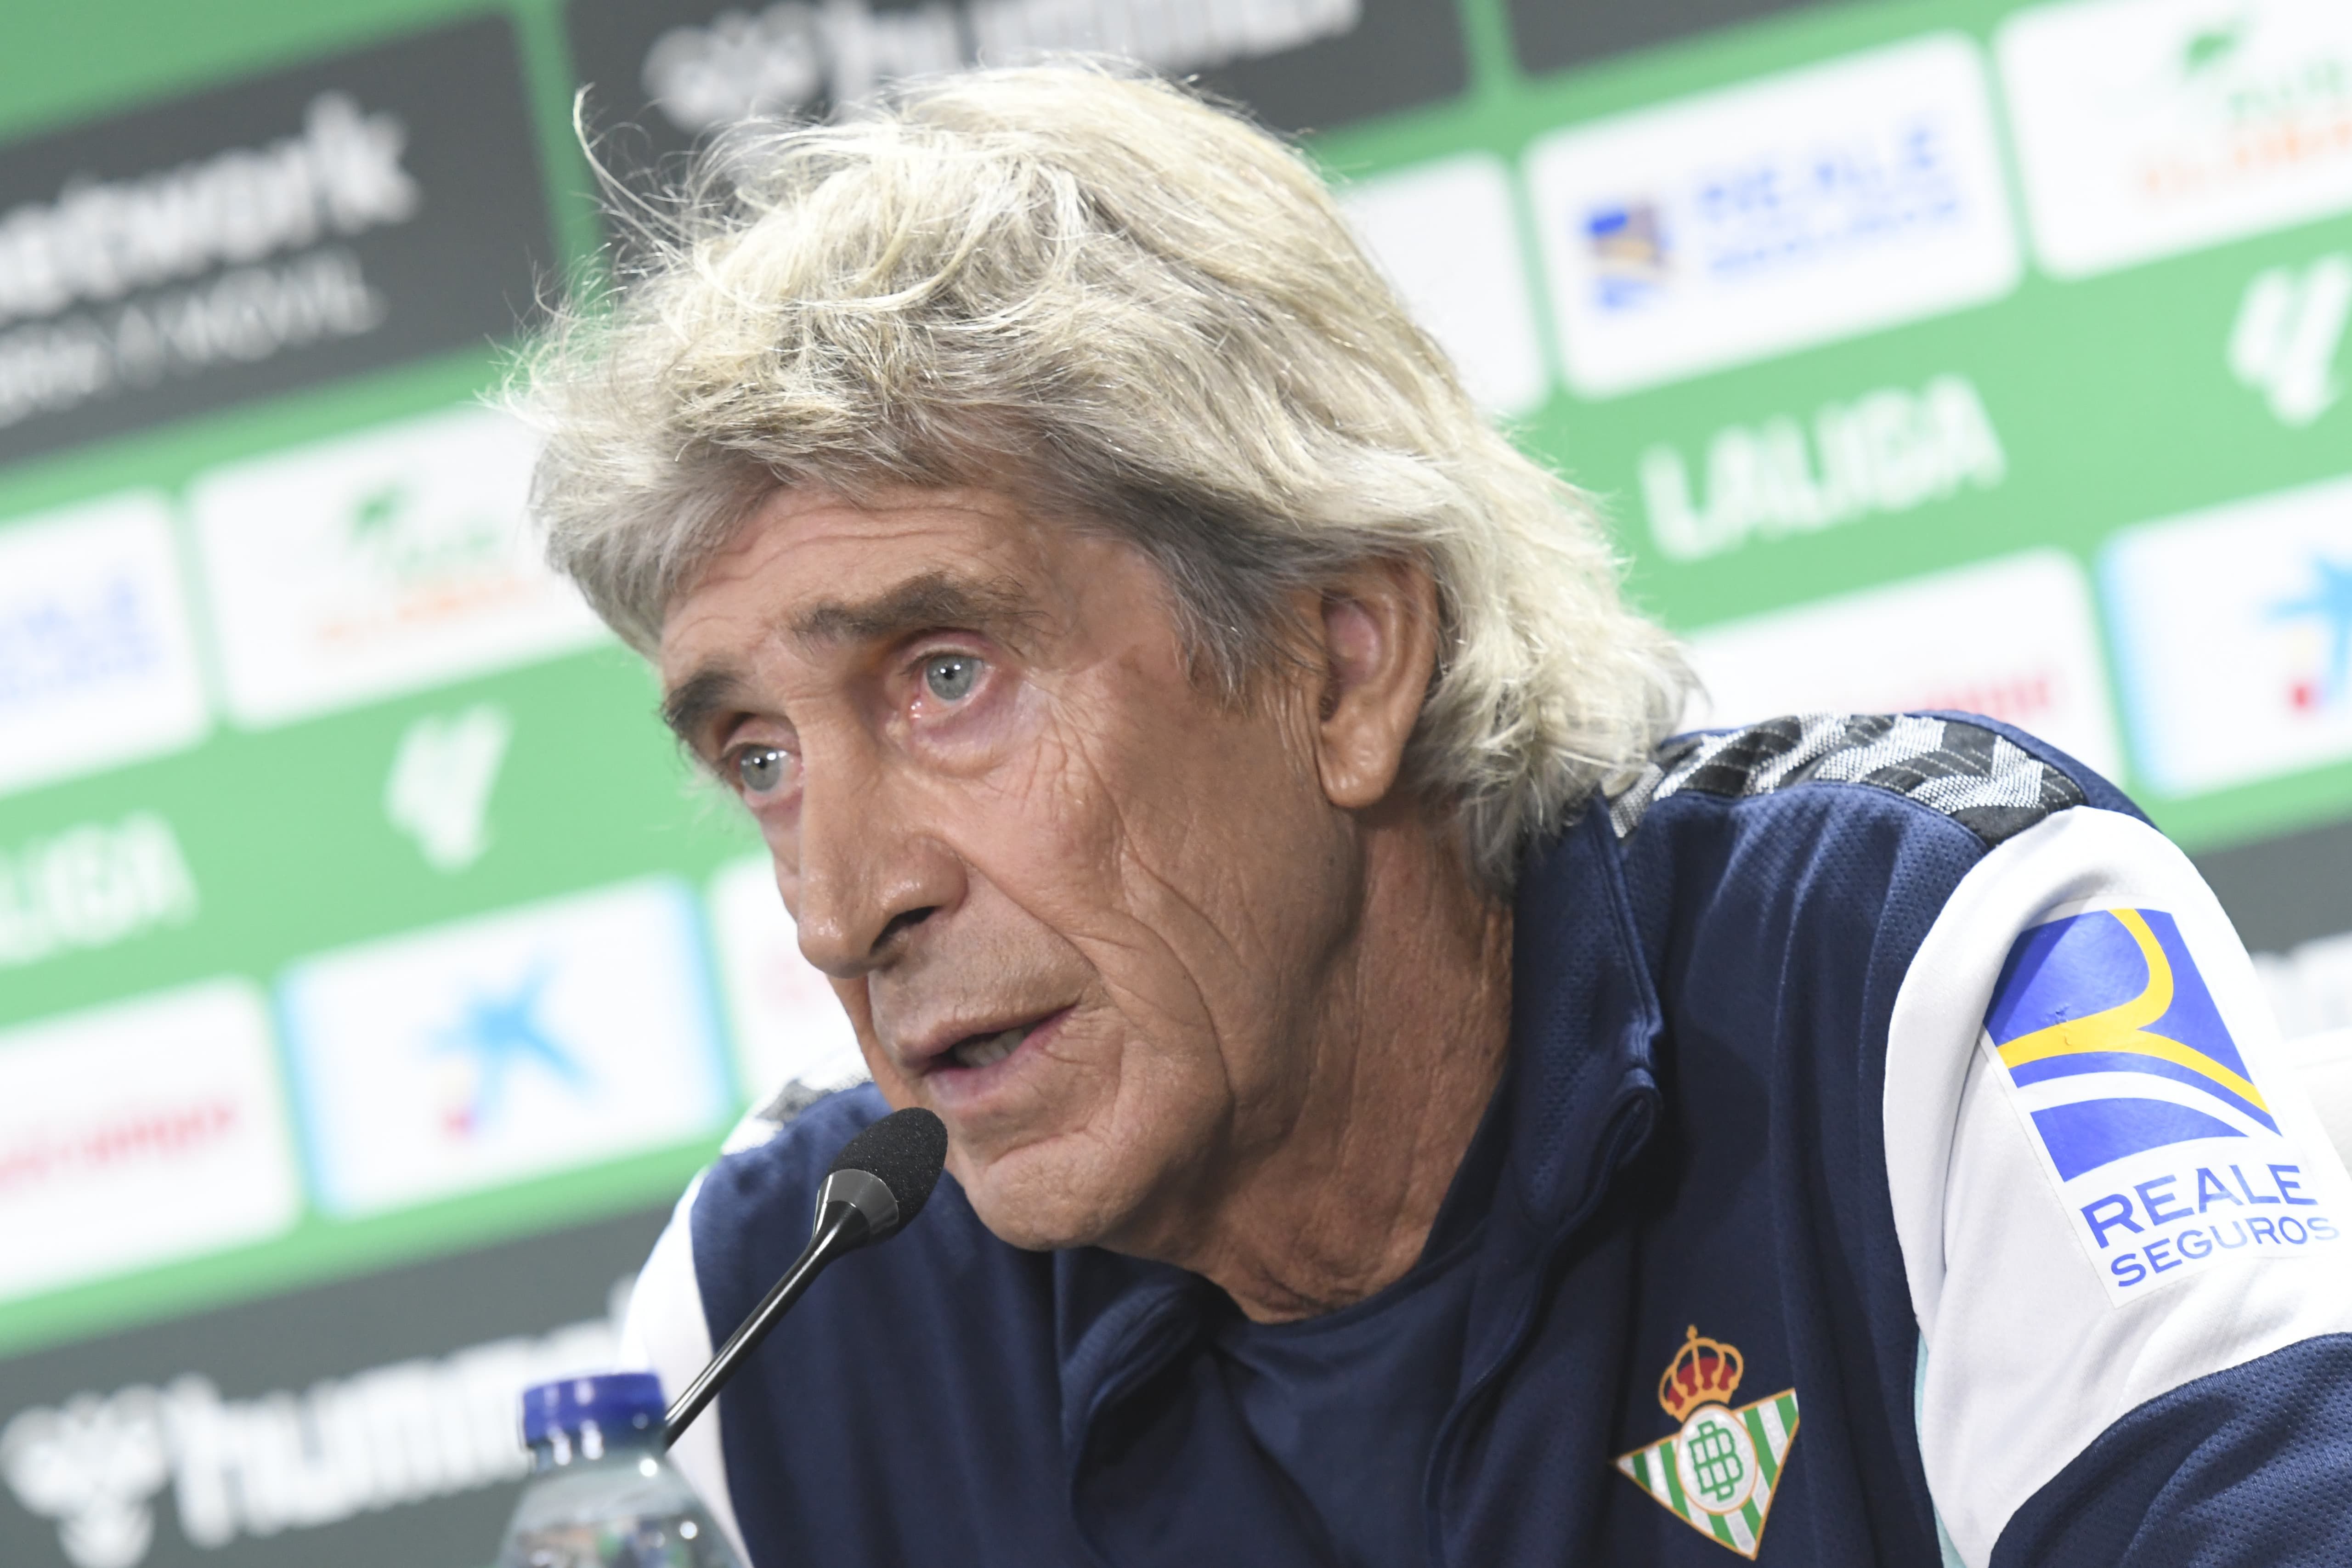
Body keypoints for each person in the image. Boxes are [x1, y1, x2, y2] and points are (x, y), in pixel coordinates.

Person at [516, 63, 2352, 1567]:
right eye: (759, 756)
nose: (843, 906)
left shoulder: (1928, 963)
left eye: (945, 676)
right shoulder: (779, 1326)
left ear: (1341, 665)